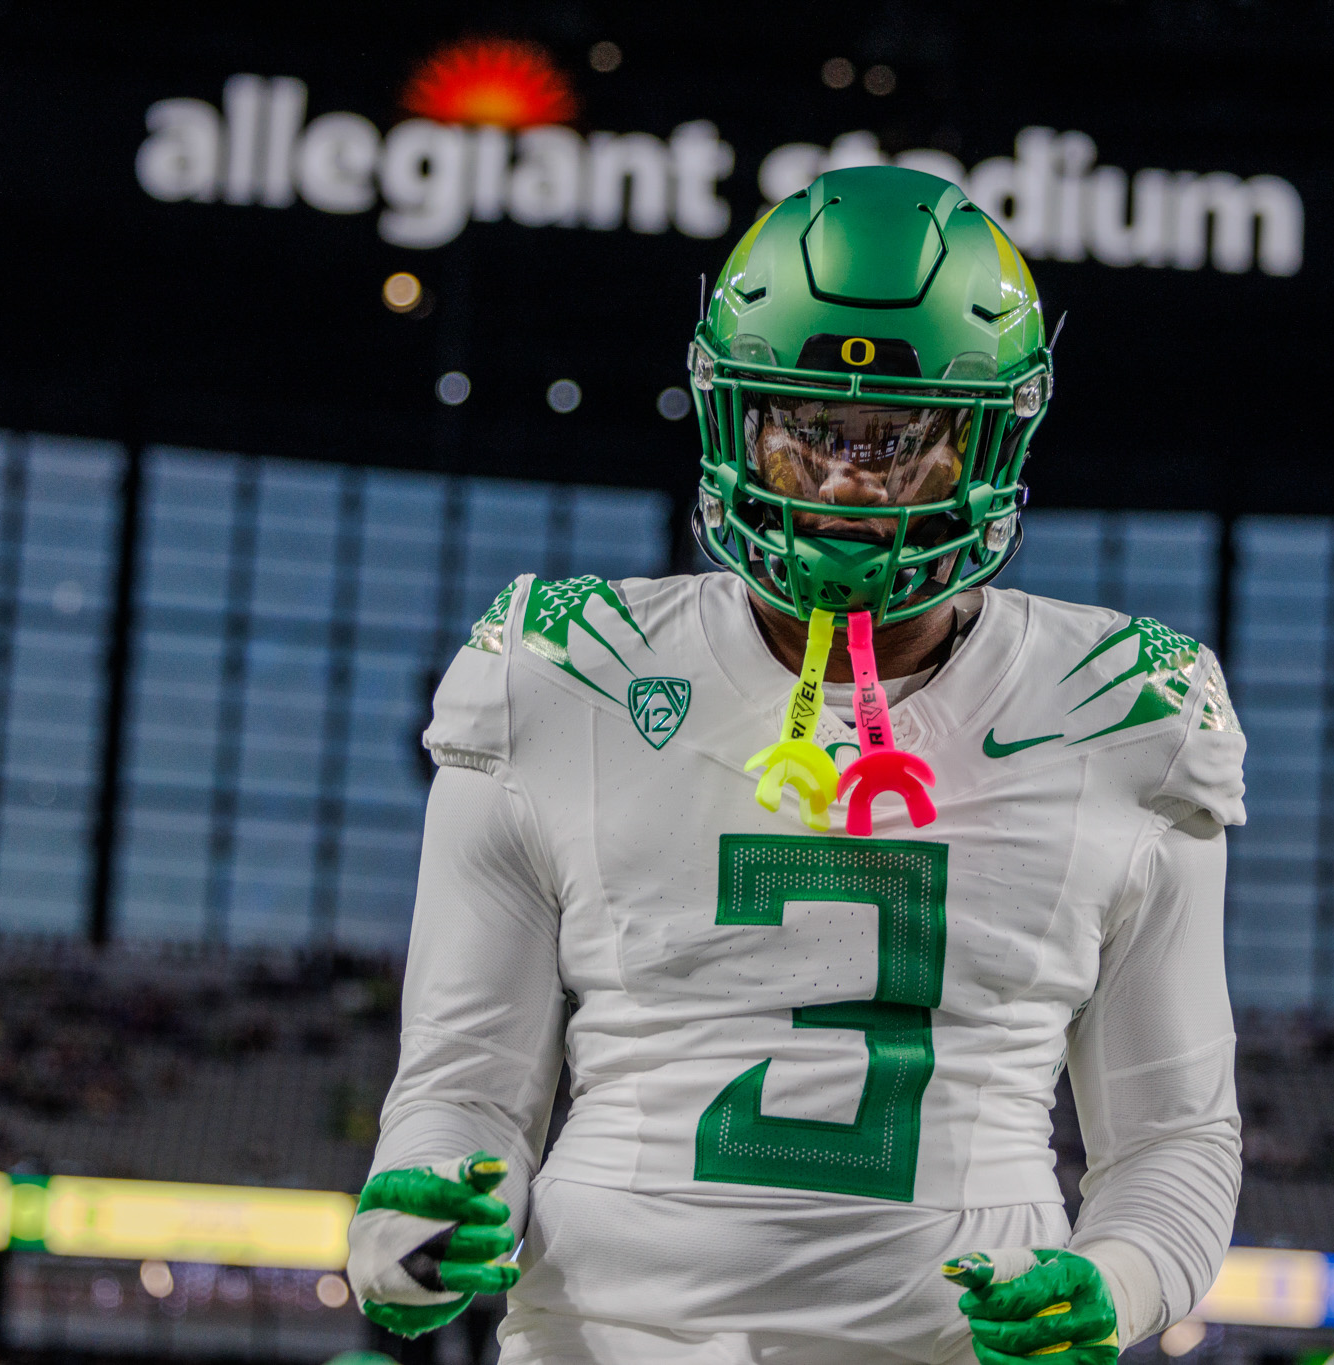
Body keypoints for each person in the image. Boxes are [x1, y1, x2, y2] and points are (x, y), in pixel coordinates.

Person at [345, 165, 1246, 1365]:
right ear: (735, 419)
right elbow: (463, 1090)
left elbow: (1172, 1142)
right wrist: (409, 1227)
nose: (845, 477)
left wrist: (1118, 1279)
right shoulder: (564, 672)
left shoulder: (1125, 709)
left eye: (897, 435)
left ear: (989, 435)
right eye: (806, 425)